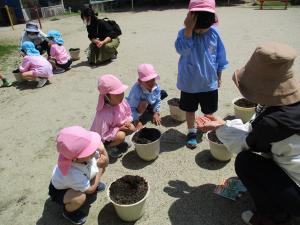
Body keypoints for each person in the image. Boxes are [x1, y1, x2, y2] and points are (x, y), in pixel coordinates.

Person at [199, 42, 300, 225]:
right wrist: (225, 123)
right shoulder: (286, 106)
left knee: (246, 162)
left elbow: (245, 143)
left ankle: (273, 215)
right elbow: (258, 130)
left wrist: (219, 128)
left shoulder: (272, 123)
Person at [175, 0, 228, 149]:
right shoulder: (184, 33)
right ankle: (192, 132)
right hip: (189, 84)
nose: (199, 31)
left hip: (208, 83)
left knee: (208, 110)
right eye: (196, 28)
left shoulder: (214, 33)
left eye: (203, 28)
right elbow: (183, 50)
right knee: (190, 110)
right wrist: (188, 30)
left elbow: (220, 56)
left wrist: (219, 75)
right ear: (190, 19)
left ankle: (205, 128)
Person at [49, 126, 108, 225]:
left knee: (95, 168)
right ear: (76, 159)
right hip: (60, 191)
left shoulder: (84, 156)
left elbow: (105, 161)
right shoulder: (71, 173)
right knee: (80, 198)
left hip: (78, 178)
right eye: (90, 149)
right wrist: (100, 168)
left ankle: (88, 183)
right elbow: (90, 190)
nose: (94, 150)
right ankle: (68, 212)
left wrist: (103, 151)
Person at [91, 74, 135, 158]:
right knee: (121, 135)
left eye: (122, 92)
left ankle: (118, 141)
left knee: (132, 127)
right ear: (107, 96)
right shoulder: (104, 114)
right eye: (117, 94)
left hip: (116, 130)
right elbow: (103, 135)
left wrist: (127, 121)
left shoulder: (121, 102)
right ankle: (108, 147)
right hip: (104, 138)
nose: (121, 95)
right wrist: (119, 129)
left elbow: (128, 113)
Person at [127, 64, 168, 130]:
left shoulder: (156, 86)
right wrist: (136, 121)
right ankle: (139, 116)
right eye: (147, 81)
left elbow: (157, 100)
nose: (151, 83)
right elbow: (131, 108)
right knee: (144, 103)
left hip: (150, 101)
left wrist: (156, 113)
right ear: (140, 81)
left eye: (153, 80)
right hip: (139, 105)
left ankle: (150, 110)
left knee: (163, 93)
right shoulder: (136, 91)